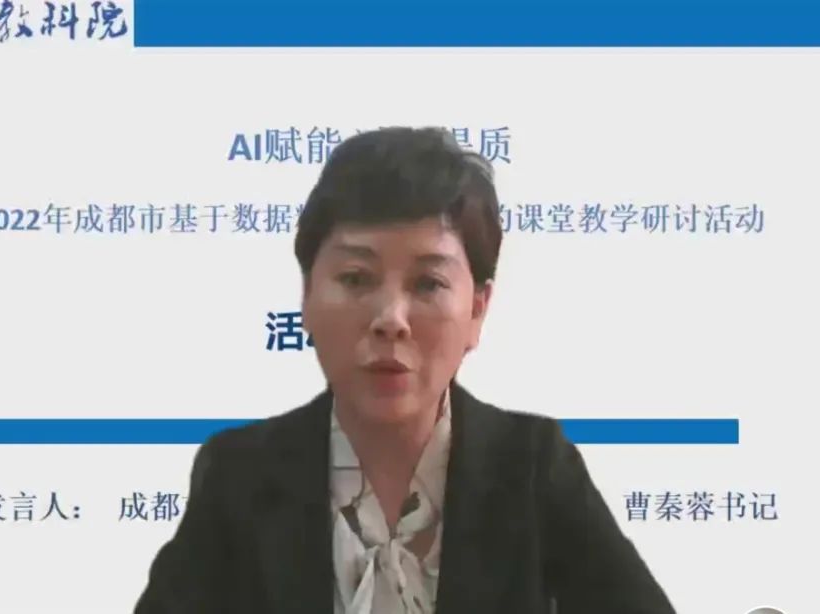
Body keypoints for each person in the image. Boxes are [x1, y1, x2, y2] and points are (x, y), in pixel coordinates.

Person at [133, 127, 676, 614]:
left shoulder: (533, 467)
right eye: (355, 278)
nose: (391, 319)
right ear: (306, 297)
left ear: (477, 311)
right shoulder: (238, 474)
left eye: (427, 284)